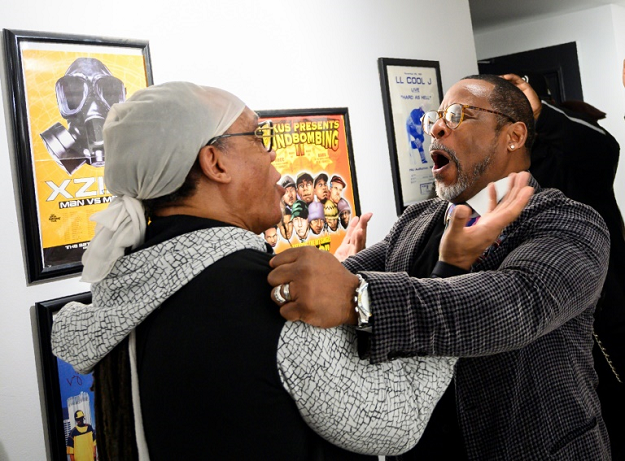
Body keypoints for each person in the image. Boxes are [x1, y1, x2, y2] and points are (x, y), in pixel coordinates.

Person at [48, 82, 529, 460]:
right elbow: (393, 418)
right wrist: (452, 268)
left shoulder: (132, 280)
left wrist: (339, 273)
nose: (273, 153)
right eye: (257, 137)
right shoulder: (268, 291)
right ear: (214, 162)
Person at [268, 74, 611, 460]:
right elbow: (346, 278)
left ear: (513, 136)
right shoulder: (415, 221)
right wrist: (328, 274)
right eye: (435, 117)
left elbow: (514, 307)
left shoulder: (569, 223)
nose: (436, 127)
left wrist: (359, 299)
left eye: (457, 114)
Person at [502, 73, 625, 460]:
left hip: (607, 326)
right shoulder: (495, 186)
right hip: (548, 345)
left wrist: (542, 113)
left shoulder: (573, 163)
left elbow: (602, 148)